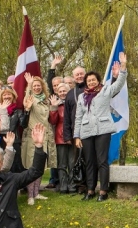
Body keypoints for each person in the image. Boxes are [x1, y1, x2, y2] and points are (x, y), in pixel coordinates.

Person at [73, 54, 128, 201]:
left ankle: (103, 191)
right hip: (86, 132)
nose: (91, 82)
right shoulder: (81, 97)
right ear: (86, 82)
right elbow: (78, 117)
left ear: (98, 81)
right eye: (88, 80)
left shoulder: (105, 91)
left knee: (101, 161)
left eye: (93, 80)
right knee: (89, 162)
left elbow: (119, 84)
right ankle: (90, 190)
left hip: (103, 130)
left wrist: (122, 68)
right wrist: (76, 136)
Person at [20, 73, 56, 205]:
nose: (36, 87)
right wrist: (29, 85)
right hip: (33, 136)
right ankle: (30, 195)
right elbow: (26, 103)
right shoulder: (29, 99)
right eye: (34, 86)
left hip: (45, 135)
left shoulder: (46, 100)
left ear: (42, 86)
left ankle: (36, 193)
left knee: (40, 165)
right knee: (32, 165)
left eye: (38, 85)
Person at [62, 65, 86, 194]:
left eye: (81, 73)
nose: (79, 76)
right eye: (77, 74)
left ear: (85, 74)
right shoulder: (71, 93)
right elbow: (66, 116)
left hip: (91, 130)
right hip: (76, 133)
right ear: (73, 77)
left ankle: (91, 185)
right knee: (78, 160)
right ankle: (80, 185)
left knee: (90, 159)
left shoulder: (92, 88)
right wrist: (67, 136)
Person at [49, 78, 73, 194]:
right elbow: (53, 121)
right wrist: (53, 108)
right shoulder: (56, 105)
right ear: (57, 93)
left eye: (65, 91)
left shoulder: (73, 102)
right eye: (60, 91)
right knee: (62, 164)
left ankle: (72, 184)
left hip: (73, 136)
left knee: (72, 163)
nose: (63, 93)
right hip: (60, 136)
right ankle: (63, 185)